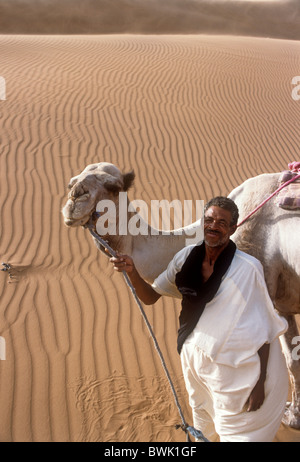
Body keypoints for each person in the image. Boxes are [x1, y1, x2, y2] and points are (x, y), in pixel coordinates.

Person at [109, 196, 289, 442]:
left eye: (222, 222)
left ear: (233, 228)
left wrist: (260, 385)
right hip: (195, 369)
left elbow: (265, 330)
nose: (213, 226)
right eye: (208, 219)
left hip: (239, 378)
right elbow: (150, 296)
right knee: (203, 426)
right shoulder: (184, 259)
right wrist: (132, 271)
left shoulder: (249, 269)